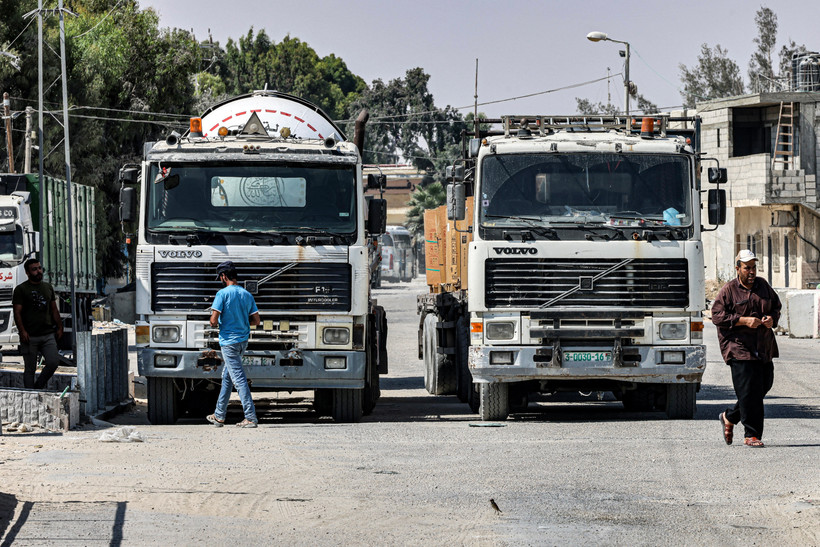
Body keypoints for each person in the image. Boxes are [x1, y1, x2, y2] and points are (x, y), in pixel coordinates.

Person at [711, 249, 781, 448]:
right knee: (749, 391)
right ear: (737, 269)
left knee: (763, 385)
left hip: (763, 347)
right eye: (746, 268)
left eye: (753, 268)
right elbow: (717, 316)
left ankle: (729, 416)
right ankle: (752, 434)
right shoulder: (729, 290)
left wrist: (771, 319)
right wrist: (742, 321)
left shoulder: (763, 286)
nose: (751, 272)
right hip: (738, 348)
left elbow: (776, 306)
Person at [206, 261, 260, 428]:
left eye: (220, 277)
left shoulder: (222, 294)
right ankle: (219, 415)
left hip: (228, 342)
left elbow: (214, 321)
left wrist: (213, 320)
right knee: (227, 378)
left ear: (223, 276)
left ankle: (250, 417)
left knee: (238, 379)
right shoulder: (247, 294)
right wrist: (240, 321)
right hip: (243, 341)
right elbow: (256, 321)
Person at [12, 258, 64, 389]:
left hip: (47, 334)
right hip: (30, 336)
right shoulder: (21, 289)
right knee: (30, 369)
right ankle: (30, 394)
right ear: (27, 272)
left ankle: (38, 386)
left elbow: (53, 309)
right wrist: (22, 331)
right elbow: (17, 312)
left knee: (53, 362)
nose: (38, 271)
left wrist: (60, 326)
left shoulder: (47, 287)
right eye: (34, 269)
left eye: (39, 268)